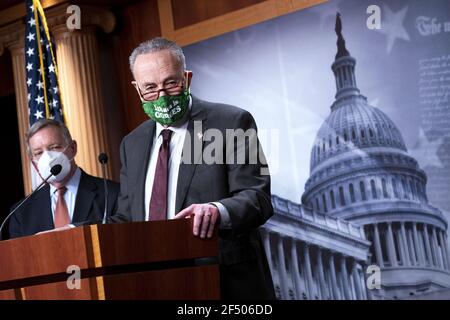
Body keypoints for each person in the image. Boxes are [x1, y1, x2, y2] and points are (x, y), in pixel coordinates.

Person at [109, 37, 275, 299]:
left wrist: (216, 210)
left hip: (223, 284)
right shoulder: (132, 143)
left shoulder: (231, 122)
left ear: (187, 78)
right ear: (137, 88)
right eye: (150, 88)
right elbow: (127, 218)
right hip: (155, 285)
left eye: (170, 83)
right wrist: (75, 232)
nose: (161, 97)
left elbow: (258, 198)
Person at [8, 119, 120, 238]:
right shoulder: (21, 212)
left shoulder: (112, 193)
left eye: (54, 147)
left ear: (72, 148)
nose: (48, 157)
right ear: (34, 162)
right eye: (39, 153)